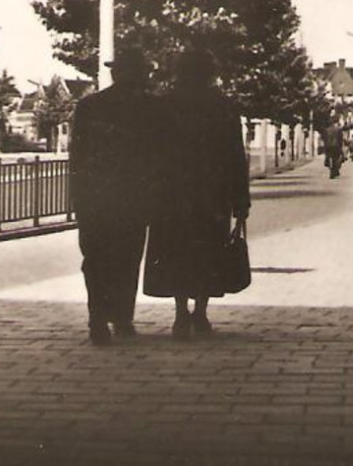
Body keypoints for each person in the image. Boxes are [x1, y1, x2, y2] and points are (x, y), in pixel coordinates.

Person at [144, 47, 251, 340]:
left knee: (176, 250)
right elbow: (235, 156)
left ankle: (180, 314)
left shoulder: (164, 105)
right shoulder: (224, 107)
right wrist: (241, 200)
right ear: (210, 73)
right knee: (207, 251)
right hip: (212, 193)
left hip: (172, 193)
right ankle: (200, 313)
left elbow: (152, 153)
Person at [69, 46, 164, 346]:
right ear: (142, 74)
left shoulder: (89, 107)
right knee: (127, 258)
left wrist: (78, 198)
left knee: (95, 259)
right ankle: (122, 317)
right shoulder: (152, 109)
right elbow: (158, 158)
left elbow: (78, 156)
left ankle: (97, 318)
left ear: (115, 72)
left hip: (95, 197)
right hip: (133, 199)